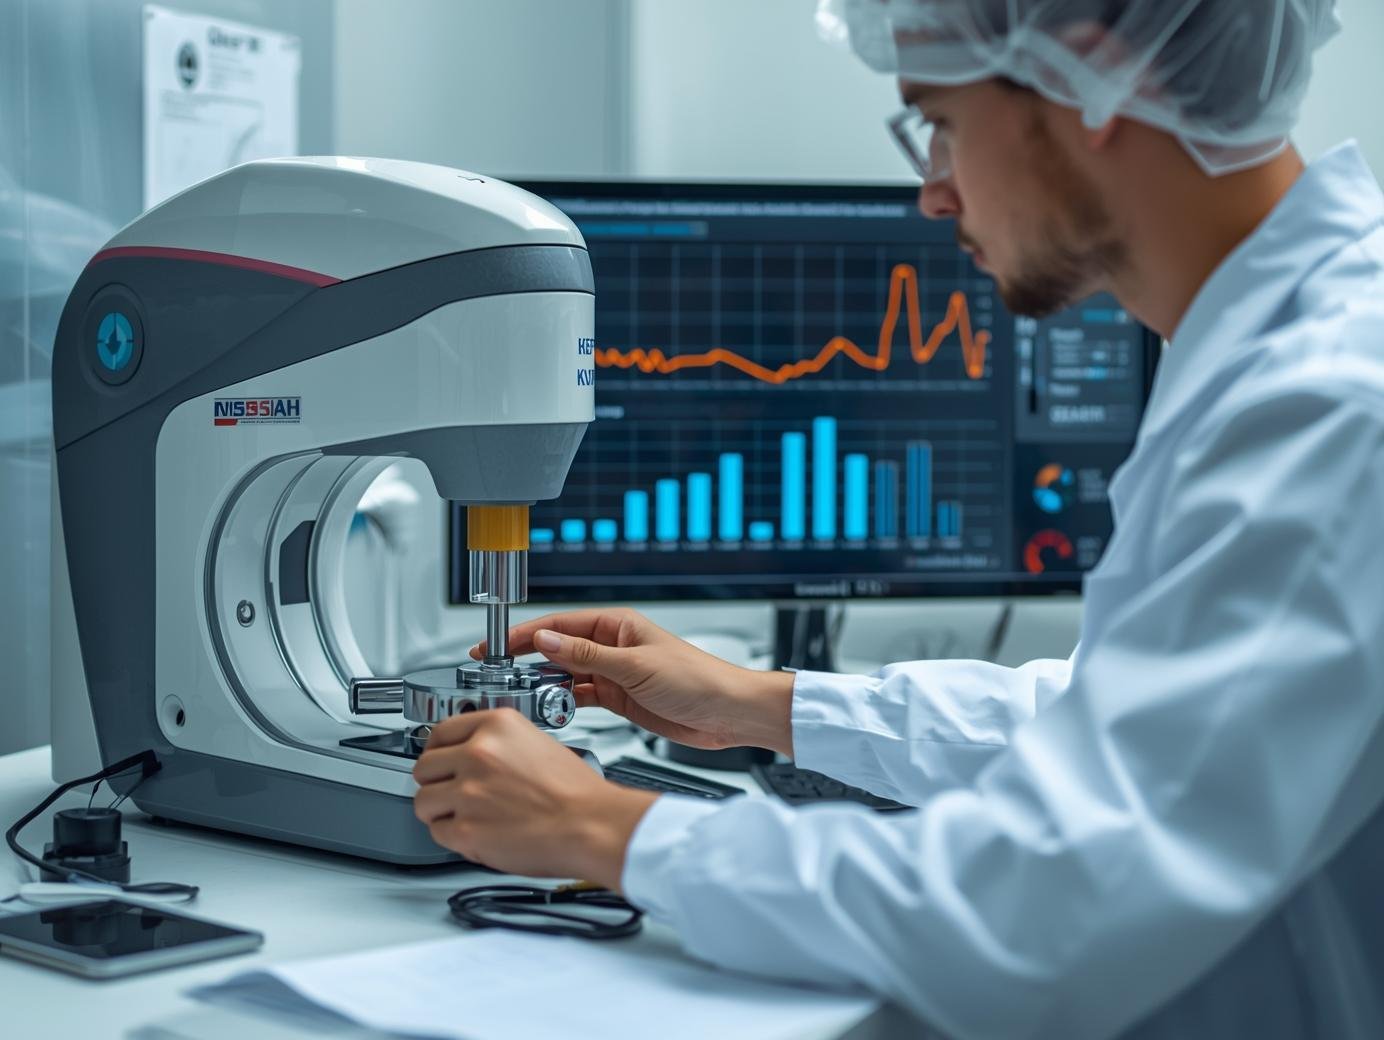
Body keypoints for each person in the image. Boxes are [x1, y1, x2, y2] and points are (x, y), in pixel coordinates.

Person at [412, 1, 1384, 1035]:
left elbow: (1044, 916)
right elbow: (1136, 723)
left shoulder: (1328, 406)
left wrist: (601, 825)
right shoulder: (1272, 352)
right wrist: (759, 701)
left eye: (941, 121)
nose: (931, 191)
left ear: (1090, 83)